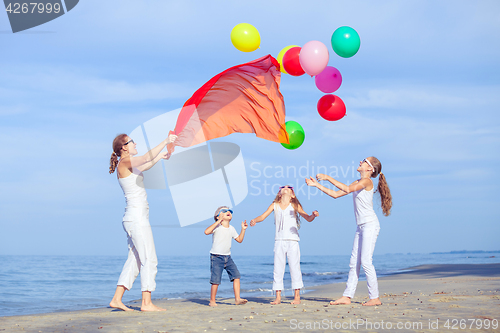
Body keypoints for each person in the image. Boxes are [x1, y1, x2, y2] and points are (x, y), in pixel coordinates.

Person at [306, 157, 392, 306]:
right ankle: (347, 296)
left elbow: (346, 189)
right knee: (354, 263)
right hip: (361, 226)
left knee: (366, 261)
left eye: (364, 161)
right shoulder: (357, 183)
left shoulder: (367, 182)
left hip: (370, 225)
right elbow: (335, 194)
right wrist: (316, 185)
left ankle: (375, 298)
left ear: (370, 169)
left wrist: (327, 177)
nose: (360, 162)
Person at [108, 133, 177, 312]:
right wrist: (165, 141)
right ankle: (146, 303)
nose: (135, 142)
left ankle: (117, 299)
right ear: (124, 147)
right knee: (149, 258)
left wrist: (161, 156)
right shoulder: (125, 162)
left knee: (135, 260)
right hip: (136, 218)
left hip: (135, 218)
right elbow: (146, 157)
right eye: (132, 141)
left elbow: (146, 164)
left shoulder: (128, 164)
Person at [250, 186, 319, 305]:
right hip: (279, 241)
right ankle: (278, 297)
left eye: (289, 187)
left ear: (293, 194)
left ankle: (297, 297)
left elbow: (307, 218)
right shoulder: (275, 205)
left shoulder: (295, 205)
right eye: (283, 187)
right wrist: (255, 220)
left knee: (294, 268)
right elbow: (263, 216)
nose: (285, 188)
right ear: (279, 194)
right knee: (278, 269)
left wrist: (313, 215)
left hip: (292, 240)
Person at [205, 206, 248, 307]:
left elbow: (239, 240)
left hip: (228, 257)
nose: (228, 212)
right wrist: (217, 221)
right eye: (224, 211)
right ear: (218, 216)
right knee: (215, 280)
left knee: (236, 276)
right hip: (216, 257)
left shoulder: (231, 228)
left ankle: (237, 299)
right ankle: (212, 300)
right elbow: (206, 232)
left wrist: (243, 229)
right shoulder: (217, 227)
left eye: (230, 211)